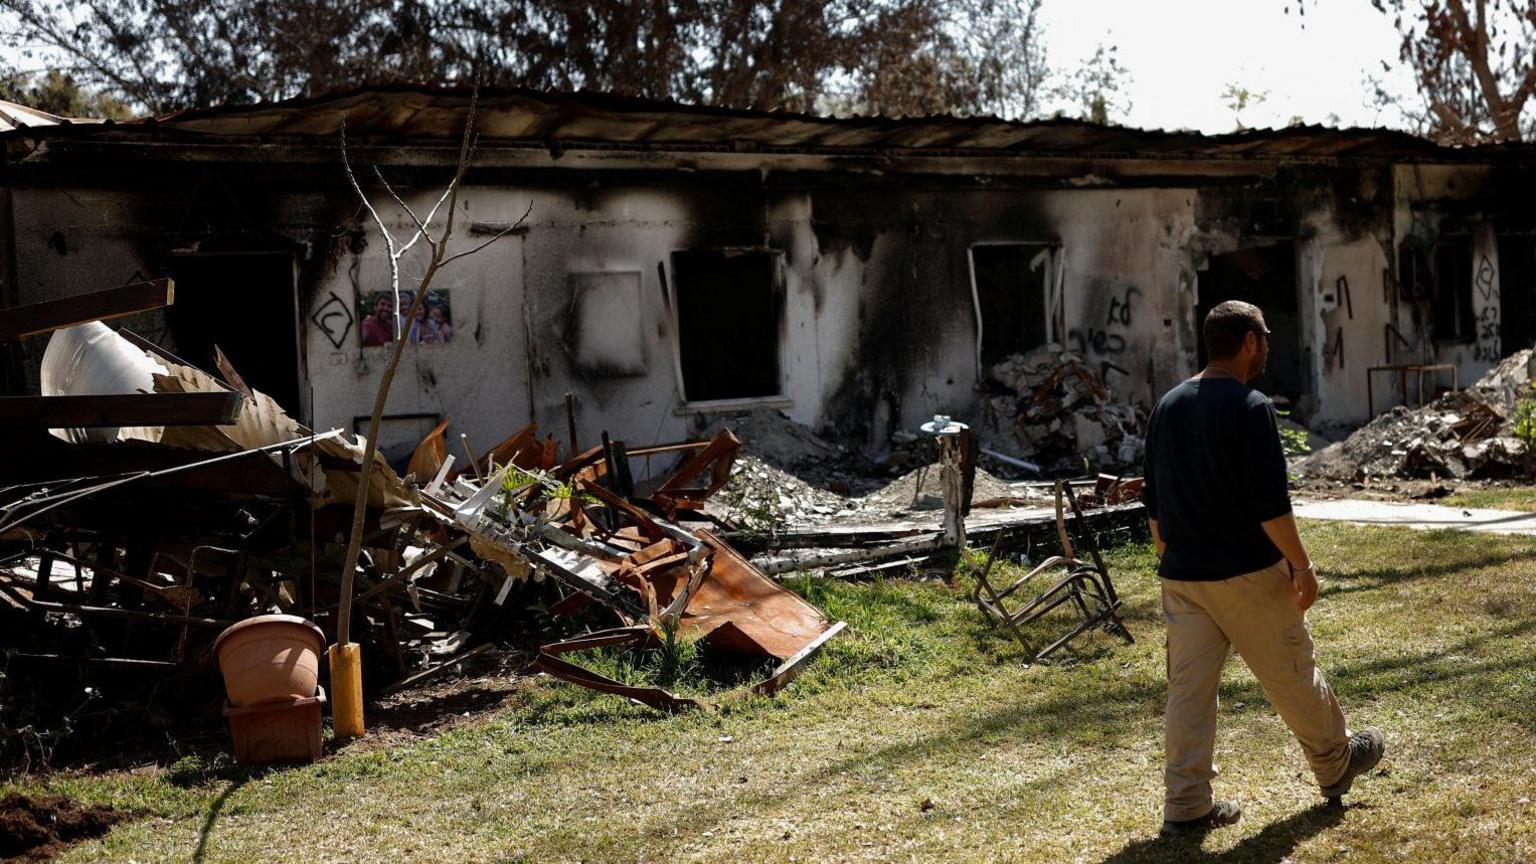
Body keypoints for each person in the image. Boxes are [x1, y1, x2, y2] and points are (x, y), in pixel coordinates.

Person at [1141, 299, 1384, 836]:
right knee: (1293, 673)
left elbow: (1153, 506)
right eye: (1266, 338)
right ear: (1249, 342)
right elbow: (1269, 505)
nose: (1268, 347)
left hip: (1182, 578)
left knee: (1189, 694)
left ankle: (1185, 805)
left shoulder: (1167, 406)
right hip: (1247, 573)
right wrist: (1301, 565)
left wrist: (1177, 558)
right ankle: (1335, 762)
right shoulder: (1251, 406)